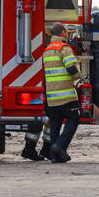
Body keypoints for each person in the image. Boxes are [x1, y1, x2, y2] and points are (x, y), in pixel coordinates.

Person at [42, 23, 82, 164]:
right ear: (64, 33)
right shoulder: (64, 49)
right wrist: (79, 77)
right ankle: (59, 147)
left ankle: (55, 156)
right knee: (74, 119)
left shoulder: (46, 50)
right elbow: (71, 68)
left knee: (55, 124)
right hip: (66, 95)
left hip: (52, 97)